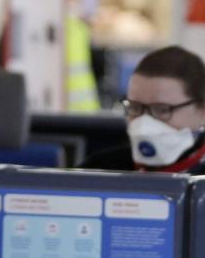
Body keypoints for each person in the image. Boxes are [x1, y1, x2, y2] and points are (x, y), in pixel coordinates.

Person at [82, 46, 205, 174]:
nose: (144, 124)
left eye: (161, 110)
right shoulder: (97, 171)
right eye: (134, 107)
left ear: (202, 111)